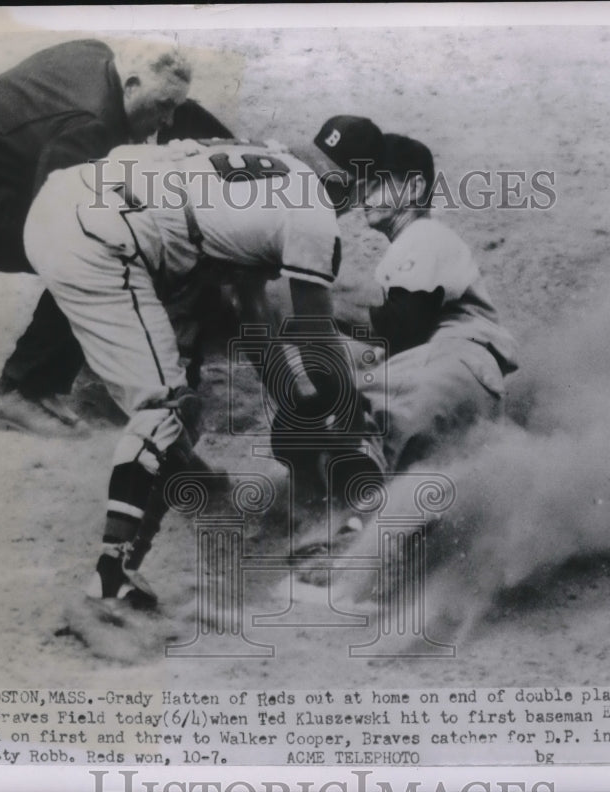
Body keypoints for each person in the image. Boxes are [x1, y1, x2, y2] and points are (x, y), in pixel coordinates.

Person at [21, 116, 385, 609]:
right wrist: (349, 421)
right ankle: (109, 579)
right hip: (105, 236)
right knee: (164, 405)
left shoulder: (269, 157)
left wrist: (294, 406)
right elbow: (317, 337)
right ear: (353, 181)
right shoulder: (315, 210)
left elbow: (253, 319)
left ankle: (133, 554)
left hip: (72, 203)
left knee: (172, 404)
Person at [0, 38, 233, 437]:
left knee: (128, 206)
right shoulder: (87, 125)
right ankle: (20, 389)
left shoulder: (102, 58)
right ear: (129, 84)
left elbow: (169, 112)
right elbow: (63, 230)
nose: (166, 121)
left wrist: (234, 158)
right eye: (162, 106)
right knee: (103, 247)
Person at [355, 133, 519, 475]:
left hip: (447, 367)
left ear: (414, 188)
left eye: (378, 181)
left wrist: (323, 309)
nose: (363, 192)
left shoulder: (423, 235)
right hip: (465, 381)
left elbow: (406, 324)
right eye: (362, 180)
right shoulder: (418, 242)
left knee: (343, 415)